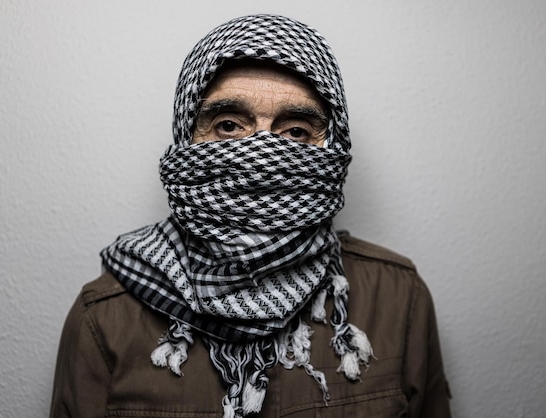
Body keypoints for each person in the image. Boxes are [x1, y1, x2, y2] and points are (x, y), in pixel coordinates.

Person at [50, 14, 451, 418]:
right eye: (228, 126)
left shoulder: (400, 301)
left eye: (295, 132)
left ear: (332, 149)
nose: (261, 159)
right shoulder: (104, 318)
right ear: (187, 135)